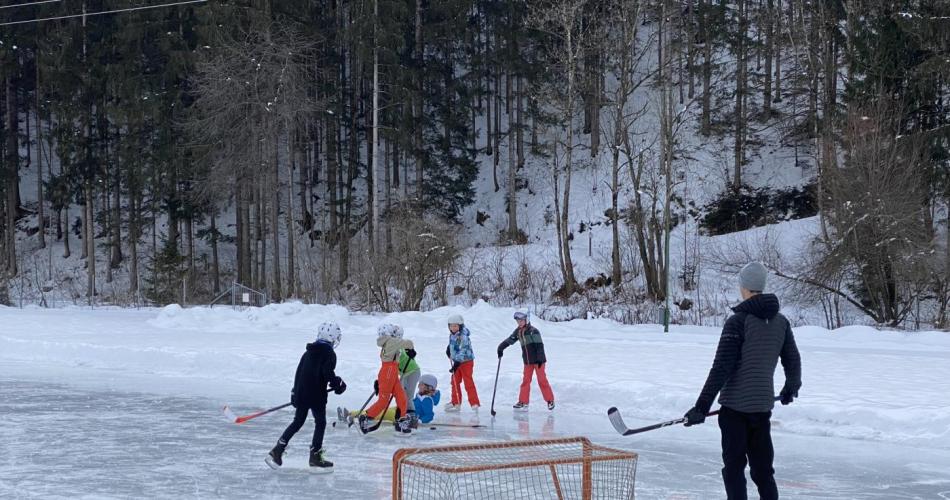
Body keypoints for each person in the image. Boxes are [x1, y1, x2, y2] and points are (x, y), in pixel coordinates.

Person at [683, 261, 802, 500]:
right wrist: (791, 387)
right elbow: (793, 359)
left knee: (734, 469)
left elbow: (721, 368)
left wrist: (701, 407)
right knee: (763, 471)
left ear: (744, 287)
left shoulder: (738, 322)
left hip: (735, 411)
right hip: (762, 407)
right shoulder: (781, 322)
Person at [266, 322, 347, 471]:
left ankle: (278, 449)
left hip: (303, 393)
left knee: (297, 422)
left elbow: (299, 373)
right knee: (320, 423)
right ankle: (315, 456)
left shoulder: (308, 352)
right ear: (332, 337)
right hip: (316, 395)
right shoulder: (329, 353)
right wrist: (338, 384)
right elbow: (327, 373)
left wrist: (295, 392)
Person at [360, 323, 415, 434]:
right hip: (388, 372)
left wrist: (408, 352)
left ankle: (401, 420)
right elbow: (409, 343)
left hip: (391, 372)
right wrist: (410, 349)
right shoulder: (391, 341)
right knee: (384, 401)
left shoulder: (387, 342)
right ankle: (366, 416)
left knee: (401, 397)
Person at [498, 311, 555, 411]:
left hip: (538, 361)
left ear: (526, 320)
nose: (519, 323)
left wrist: (540, 359)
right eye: (518, 321)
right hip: (527, 361)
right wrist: (501, 347)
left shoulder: (533, 331)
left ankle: (550, 400)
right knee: (525, 381)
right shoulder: (518, 332)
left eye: (521, 320)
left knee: (542, 380)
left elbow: (540, 346)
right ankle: (523, 401)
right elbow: (510, 340)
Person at [444, 314, 480, 412]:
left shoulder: (463, 336)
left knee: (468, 381)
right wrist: (449, 350)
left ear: (460, 326)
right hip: (457, 362)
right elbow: (453, 344)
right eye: (451, 326)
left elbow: (463, 350)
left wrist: (456, 363)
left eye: (455, 326)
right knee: (455, 381)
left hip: (466, 361)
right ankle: (456, 402)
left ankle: (474, 403)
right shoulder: (452, 334)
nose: (453, 328)